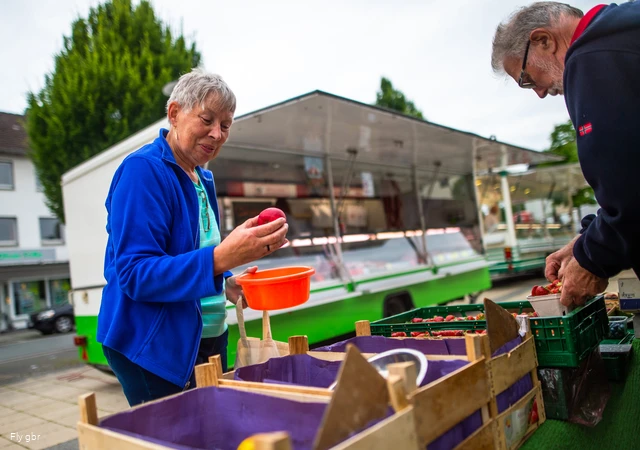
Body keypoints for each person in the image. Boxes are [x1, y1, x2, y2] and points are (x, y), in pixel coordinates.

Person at [97, 68, 289, 406]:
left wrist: (227, 282)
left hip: (208, 337)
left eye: (226, 125)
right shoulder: (143, 171)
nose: (217, 133)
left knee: (213, 428)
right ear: (174, 114)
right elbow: (135, 274)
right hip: (156, 346)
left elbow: (193, 251)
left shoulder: (202, 177)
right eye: (207, 119)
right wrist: (223, 258)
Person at [491, 1, 640, 306]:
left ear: (543, 40)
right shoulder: (622, 33)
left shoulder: (591, 58)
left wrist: (592, 259)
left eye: (526, 79)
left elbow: (630, 191)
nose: (539, 92)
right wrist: (585, 241)